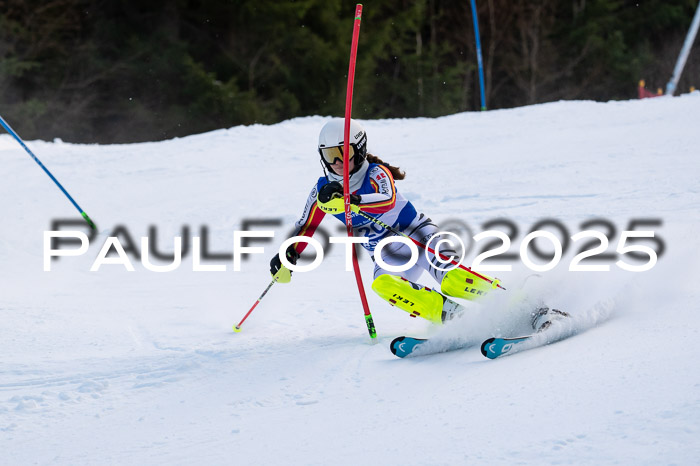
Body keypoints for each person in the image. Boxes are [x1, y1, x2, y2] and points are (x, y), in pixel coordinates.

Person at [270, 118, 563, 330]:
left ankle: (525, 306)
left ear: (359, 150)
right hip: (387, 253)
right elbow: (305, 226)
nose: (336, 163)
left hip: (417, 236)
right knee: (383, 284)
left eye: (342, 154)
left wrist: (351, 200)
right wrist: (288, 254)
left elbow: (385, 199)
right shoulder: (322, 190)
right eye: (329, 156)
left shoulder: (376, 172)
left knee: (451, 278)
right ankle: (455, 318)